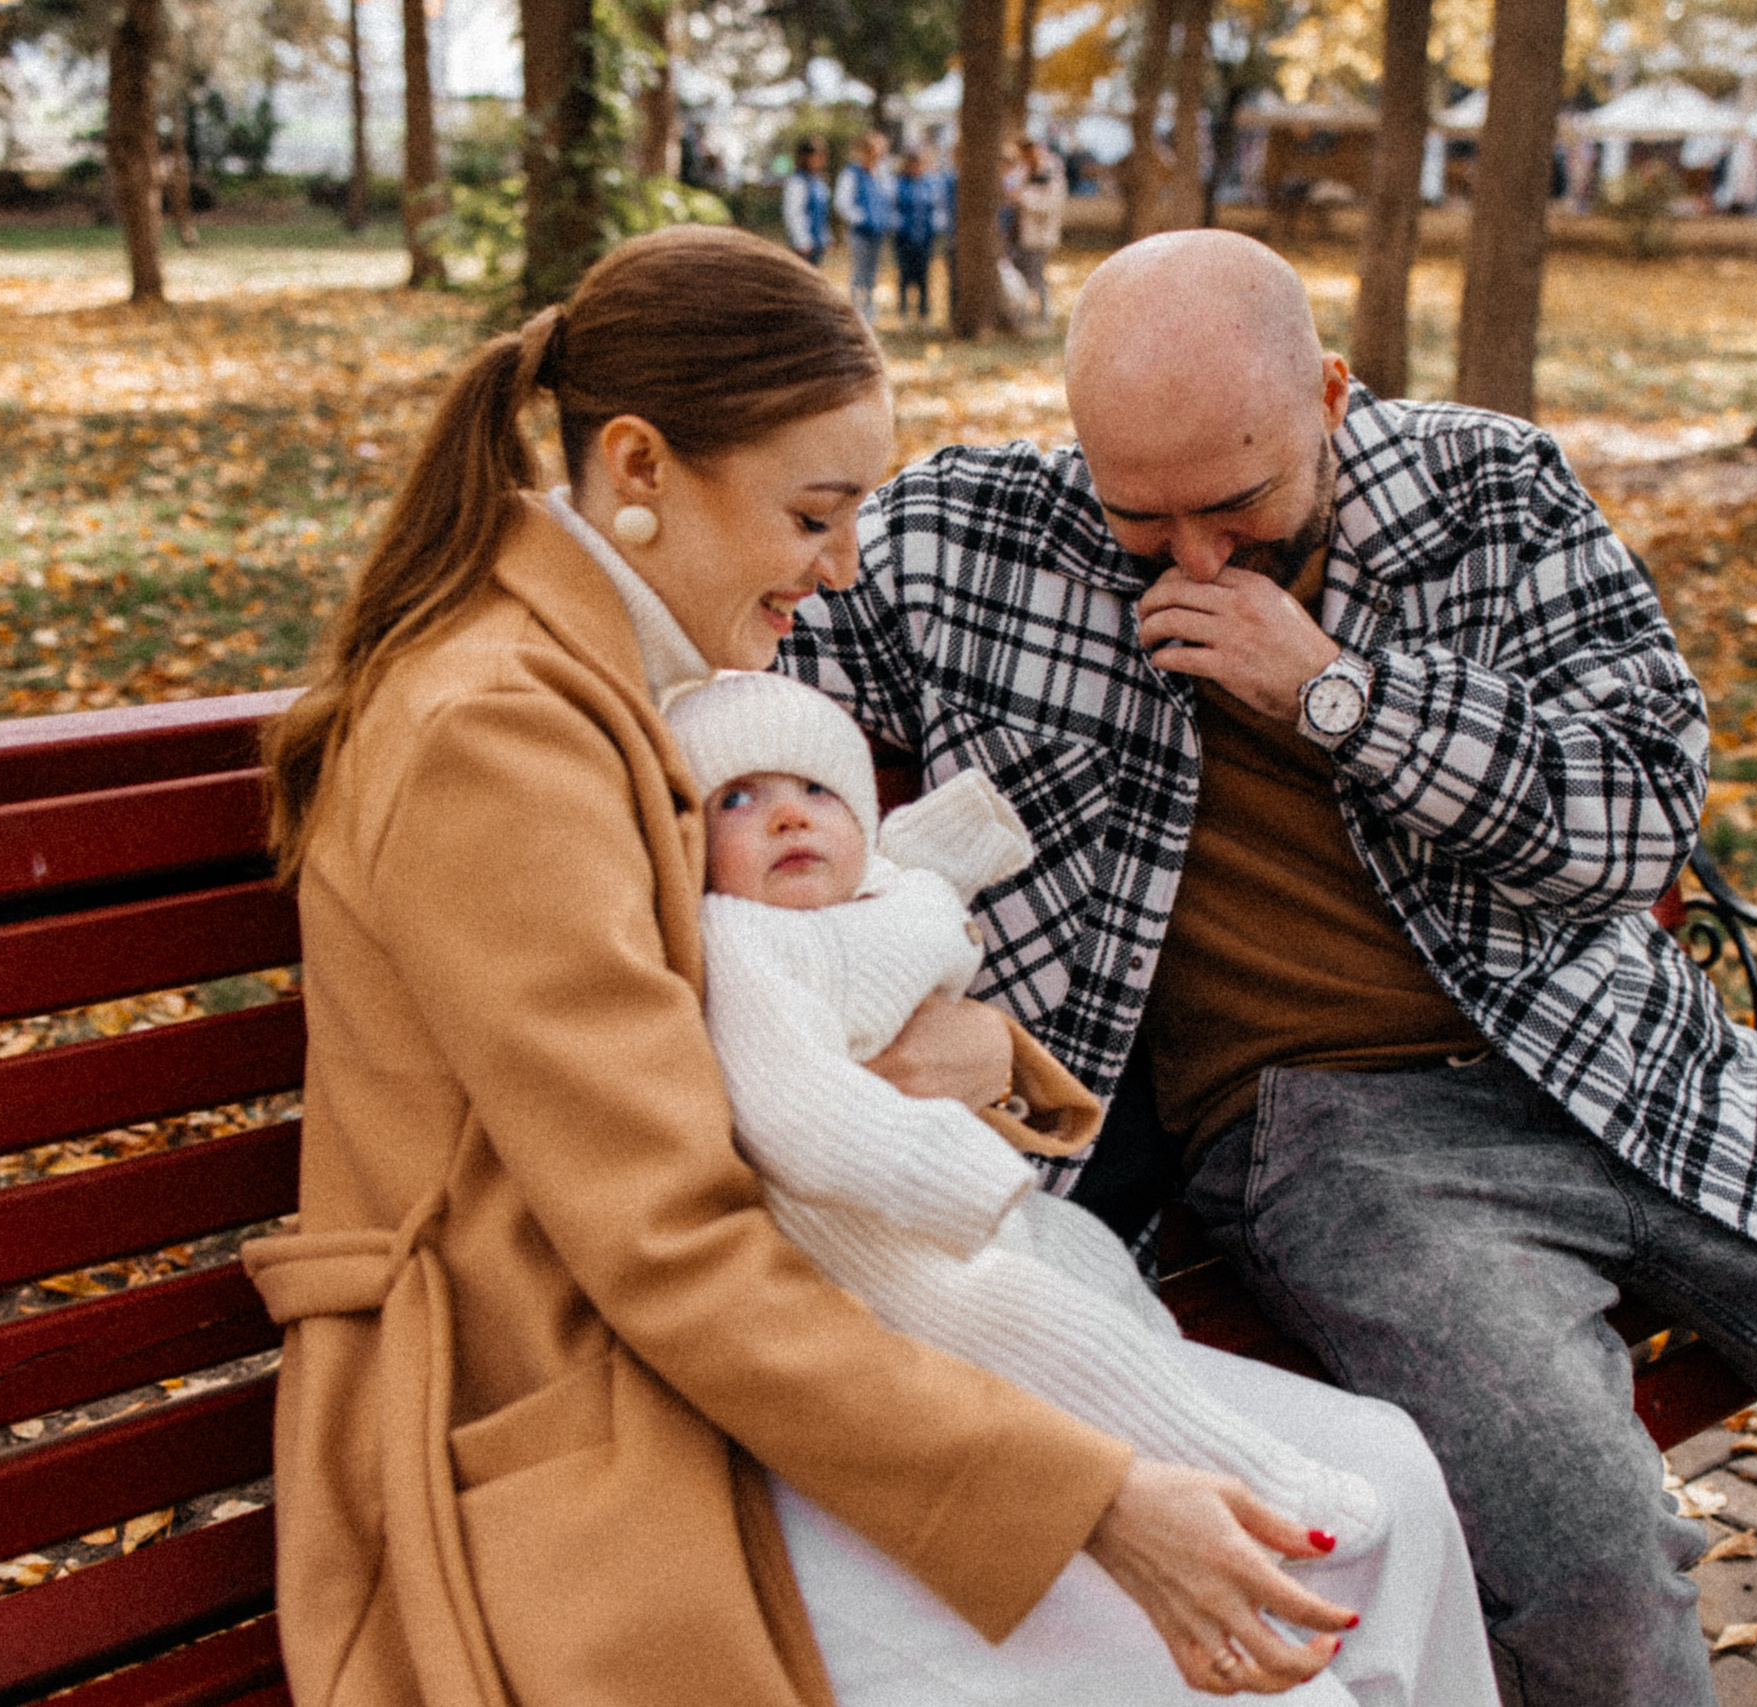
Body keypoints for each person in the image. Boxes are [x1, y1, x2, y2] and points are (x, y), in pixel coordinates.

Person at [781, 227, 1757, 1707]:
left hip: (1637, 1059)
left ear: (1331, 396)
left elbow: (1636, 811)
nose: (1196, 556)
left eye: (1238, 502)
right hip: (1346, 1142)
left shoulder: (1490, 492)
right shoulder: (968, 539)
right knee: (1586, 1553)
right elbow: (723, 666)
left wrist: (1337, 692)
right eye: (1142, 516)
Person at [241, 224, 1455, 1707]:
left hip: (762, 1345)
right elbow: (667, 1241)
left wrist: (989, 1054)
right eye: (818, 510)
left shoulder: (636, 669)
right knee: (1264, 1667)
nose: (846, 563)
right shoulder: (496, 732)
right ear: (635, 471)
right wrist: (1096, 1501)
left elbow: (792, 993)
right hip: (578, 1415)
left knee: (1386, 1484)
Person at [668, 667, 1496, 1707]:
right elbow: (800, 1110)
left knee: (1375, 1458)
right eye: (736, 799)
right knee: (1068, 1340)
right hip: (888, 1270)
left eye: (814, 792)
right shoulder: (742, 940)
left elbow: (922, 877)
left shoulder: (869, 895)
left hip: (999, 1237)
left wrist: (961, 886)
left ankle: (1235, 1466)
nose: (785, 812)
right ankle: (1257, 1479)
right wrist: (959, 1173)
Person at [835, 132, 892, 322]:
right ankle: (855, 310)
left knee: (872, 272)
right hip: (860, 232)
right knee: (859, 270)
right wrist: (861, 218)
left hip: (878, 231)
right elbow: (841, 203)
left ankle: (868, 308)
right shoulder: (852, 173)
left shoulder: (882, 173)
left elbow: (888, 199)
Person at [1011, 139, 1066, 327]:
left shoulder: (1051, 174)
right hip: (1020, 235)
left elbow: (1050, 205)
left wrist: (1023, 198)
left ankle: (1042, 316)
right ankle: (1024, 315)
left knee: (1036, 276)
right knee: (1022, 276)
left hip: (1039, 237)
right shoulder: (1024, 171)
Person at [891, 146, 946, 325]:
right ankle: (903, 313)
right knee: (904, 275)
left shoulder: (930, 184)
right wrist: (897, 224)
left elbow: (937, 208)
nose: (916, 167)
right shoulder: (898, 183)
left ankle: (923, 313)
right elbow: (892, 207)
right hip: (904, 236)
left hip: (924, 237)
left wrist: (936, 226)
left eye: (919, 164)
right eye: (913, 164)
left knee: (923, 276)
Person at [782, 136, 831, 269]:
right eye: (815, 155)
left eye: (822, 155)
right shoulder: (797, 182)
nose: (819, 160)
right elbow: (793, 213)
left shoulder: (819, 181)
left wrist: (825, 237)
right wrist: (802, 240)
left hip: (817, 242)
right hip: (803, 244)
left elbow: (822, 213)